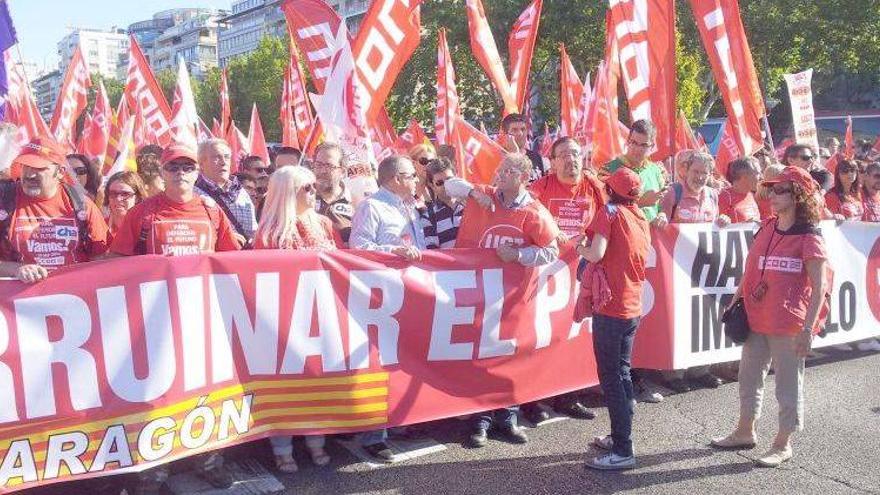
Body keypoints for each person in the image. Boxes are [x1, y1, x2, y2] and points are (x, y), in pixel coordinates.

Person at [111, 144, 239, 493]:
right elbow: (116, 261)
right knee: (155, 396)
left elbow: (231, 261)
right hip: (154, 323)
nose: (180, 172)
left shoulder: (212, 211)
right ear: (162, 173)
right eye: (173, 167)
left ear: (197, 172)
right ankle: (153, 470)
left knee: (207, 391)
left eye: (187, 166)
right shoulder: (143, 213)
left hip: (201, 317)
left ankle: (209, 461)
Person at [711, 166, 831, 468]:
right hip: (756, 318)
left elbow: (819, 289)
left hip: (788, 324)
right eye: (771, 189)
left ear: (798, 195)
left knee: (788, 385)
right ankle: (744, 430)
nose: (772, 195)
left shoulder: (810, 237)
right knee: (748, 377)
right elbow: (751, 271)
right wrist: (736, 301)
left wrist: (808, 329)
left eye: (781, 190)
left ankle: (783, 442)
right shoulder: (767, 227)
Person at [446, 152, 561, 445]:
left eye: (508, 170)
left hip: (513, 299)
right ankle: (479, 421)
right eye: (500, 168)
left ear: (523, 178)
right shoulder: (484, 196)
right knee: (480, 358)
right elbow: (449, 186)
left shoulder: (534, 212)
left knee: (509, 357)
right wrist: (473, 191)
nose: (500, 174)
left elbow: (551, 251)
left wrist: (520, 255)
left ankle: (508, 418)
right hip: (477, 294)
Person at [254, 166, 336, 473]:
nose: (315, 191)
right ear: (289, 192)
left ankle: (317, 440)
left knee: (317, 379)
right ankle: (282, 448)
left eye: (314, 186)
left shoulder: (325, 224)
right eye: (308, 188)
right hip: (284, 321)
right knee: (286, 384)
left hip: (321, 316)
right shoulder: (268, 234)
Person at [349, 155, 425, 462]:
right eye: (410, 176)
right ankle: (373, 434)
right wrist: (392, 251)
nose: (416, 180)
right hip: (380, 298)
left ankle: (396, 421)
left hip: (409, 293)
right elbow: (358, 246)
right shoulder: (372, 206)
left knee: (403, 360)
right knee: (378, 363)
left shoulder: (408, 206)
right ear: (395, 179)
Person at [577, 167, 650, 471]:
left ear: (610, 190)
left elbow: (595, 254)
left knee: (612, 379)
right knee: (621, 374)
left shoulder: (609, 213)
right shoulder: (640, 217)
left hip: (611, 306)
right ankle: (620, 437)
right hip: (632, 306)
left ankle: (623, 448)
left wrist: (576, 246)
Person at [654, 152, 727, 392]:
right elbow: (660, 216)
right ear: (685, 170)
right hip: (676, 269)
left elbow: (715, 223)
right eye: (696, 172)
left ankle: (700, 369)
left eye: (705, 173)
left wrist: (723, 221)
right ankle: (674, 373)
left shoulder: (713, 195)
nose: (700, 177)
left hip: (703, 269)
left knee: (703, 316)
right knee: (678, 317)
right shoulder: (673, 193)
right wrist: (662, 217)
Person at [0, 137, 109, 283]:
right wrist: (17, 270)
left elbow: (102, 261)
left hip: (72, 297)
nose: (30, 174)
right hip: (19, 301)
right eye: (26, 166)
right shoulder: (4, 201)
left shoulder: (82, 205)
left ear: (60, 172)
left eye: (39, 168)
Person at [529, 136, 606, 241]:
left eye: (575, 154)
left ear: (581, 158)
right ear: (553, 163)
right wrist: (549, 231)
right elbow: (527, 218)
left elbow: (608, 223)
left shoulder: (596, 186)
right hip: (551, 254)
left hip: (585, 254)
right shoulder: (541, 186)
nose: (570, 159)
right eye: (564, 155)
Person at [600, 119, 667, 222]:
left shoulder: (657, 170)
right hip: (622, 235)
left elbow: (662, 203)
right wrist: (640, 203)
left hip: (650, 235)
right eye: (634, 143)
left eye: (644, 145)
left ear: (652, 146)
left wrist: (662, 214)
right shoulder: (608, 169)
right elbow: (603, 207)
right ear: (628, 141)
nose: (637, 149)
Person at [194, 139, 258, 247]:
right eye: (216, 157)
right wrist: (225, 237)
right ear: (201, 163)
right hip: (215, 258)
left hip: (243, 258)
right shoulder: (194, 194)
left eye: (227, 157)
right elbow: (193, 232)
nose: (224, 162)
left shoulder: (241, 192)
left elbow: (253, 230)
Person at [313, 142, 355, 246]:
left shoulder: (356, 203)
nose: (323, 171)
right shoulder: (301, 197)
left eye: (329, 166)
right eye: (318, 165)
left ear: (342, 171)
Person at [419, 157, 464, 249]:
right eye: (440, 183)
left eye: (449, 180)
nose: (446, 185)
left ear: (456, 177)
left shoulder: (472, 207)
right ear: (432, 186)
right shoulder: (428, 216)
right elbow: (433, 252)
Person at [500, 113, 549, 183]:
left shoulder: (536, 157)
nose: (520, 133)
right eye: (514, 130)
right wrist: (515, 154)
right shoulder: (498, 158)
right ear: (505, 134)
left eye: (523, 129)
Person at [102, 171, 147, 245]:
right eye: (113, 194)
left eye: (125, 194)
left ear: (137, 198)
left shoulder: (146, 229)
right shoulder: (101, 225)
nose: (118, 199)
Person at [719, 157, 763, 223]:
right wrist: (745, 225)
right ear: (744, 176)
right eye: (757, 173)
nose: (761, 177)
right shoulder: (725, 196)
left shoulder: (751, 195)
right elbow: (718, 228)